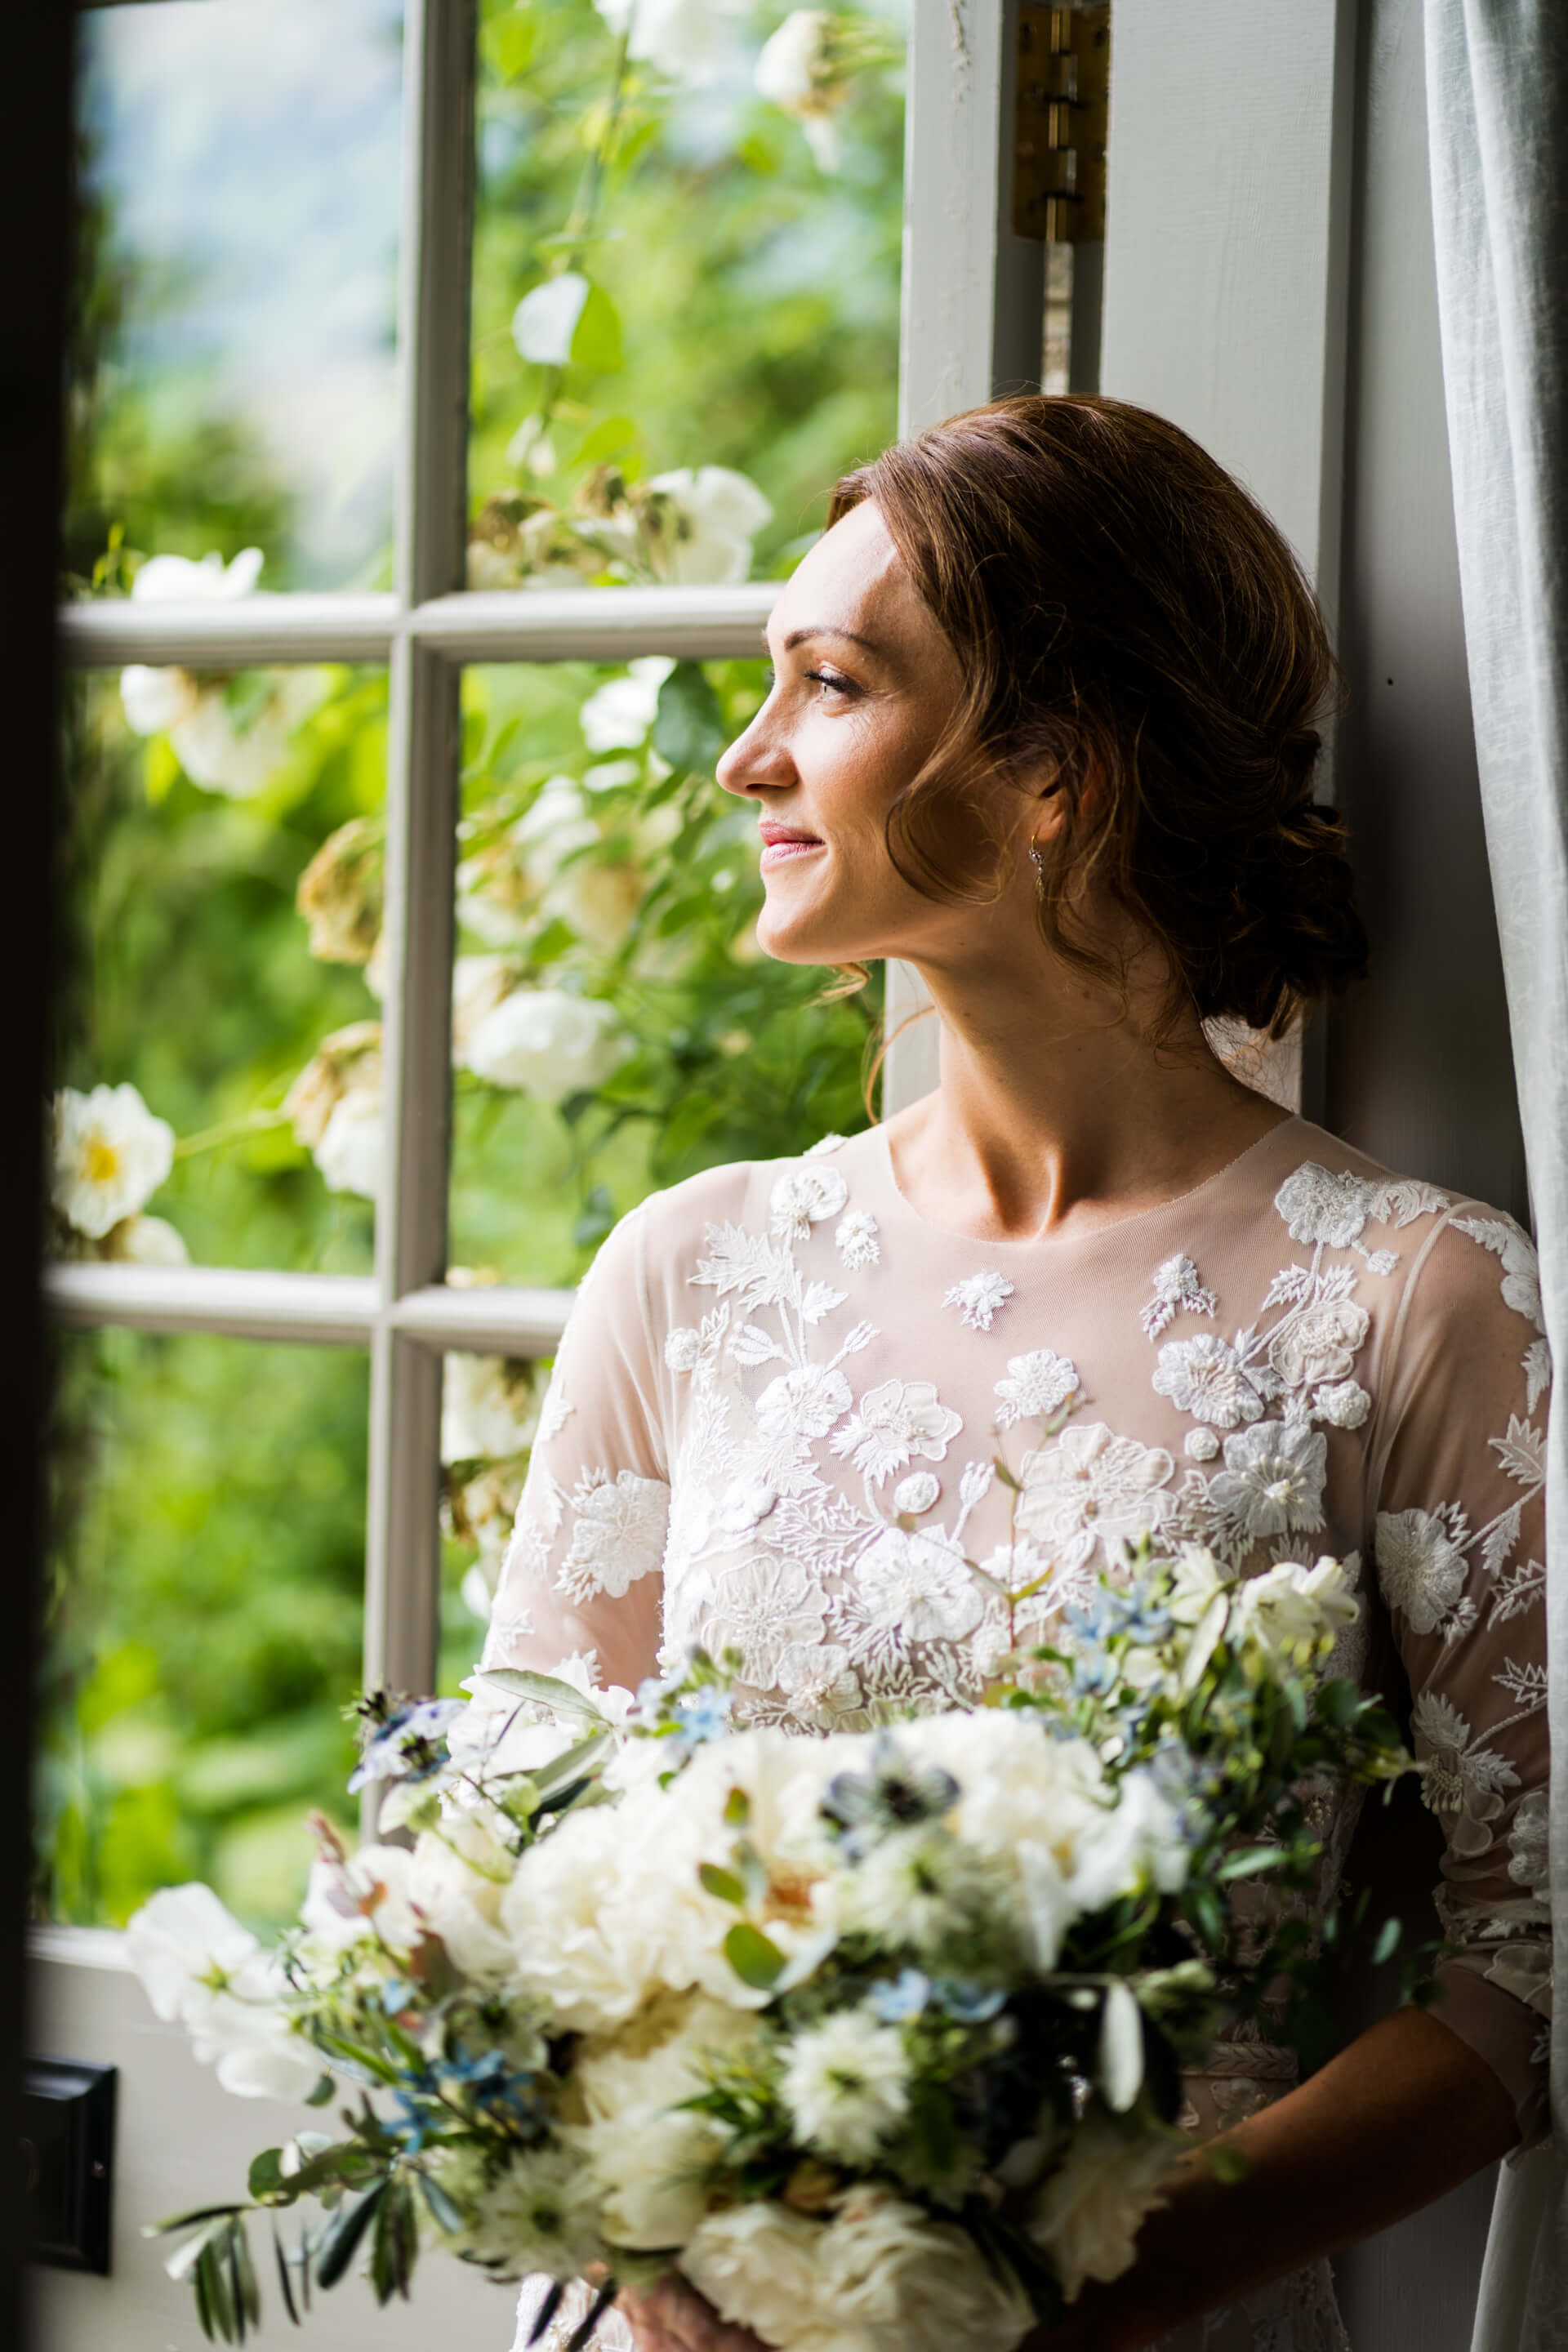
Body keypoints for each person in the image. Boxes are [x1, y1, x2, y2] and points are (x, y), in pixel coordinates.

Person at [485, 397, 1551, 2352]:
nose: (745, 756)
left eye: (827, 684)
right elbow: (508, 1860)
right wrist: (651, 2249)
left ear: (1056, 773)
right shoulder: (694, 1276)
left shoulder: (1412, 1298)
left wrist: (1077, 2287)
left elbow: (1535, 1961)